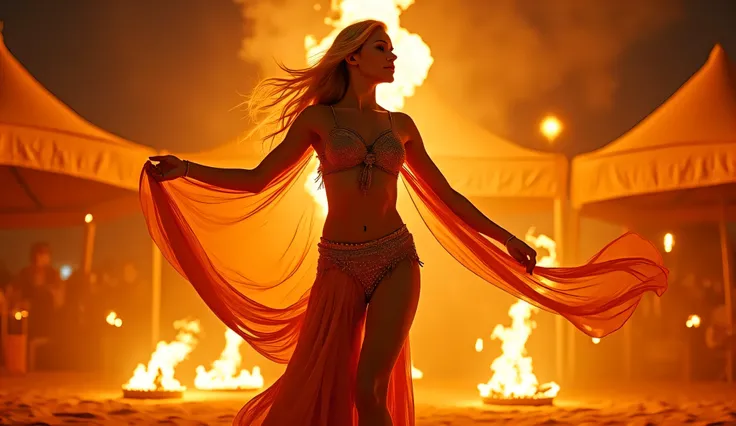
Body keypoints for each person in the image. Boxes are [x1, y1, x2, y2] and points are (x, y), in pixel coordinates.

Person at [140, 20, 668, 426]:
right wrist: (186, 169)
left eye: (392, 50)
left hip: (395, 258)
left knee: (370, 387)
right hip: (339, 264)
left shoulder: (402, 126)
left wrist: (507, 237)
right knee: (326, 383)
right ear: (352, 56)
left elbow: (447, 195)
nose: (393, 56)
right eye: (382, 49)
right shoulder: (319, 121)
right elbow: (257, 179)